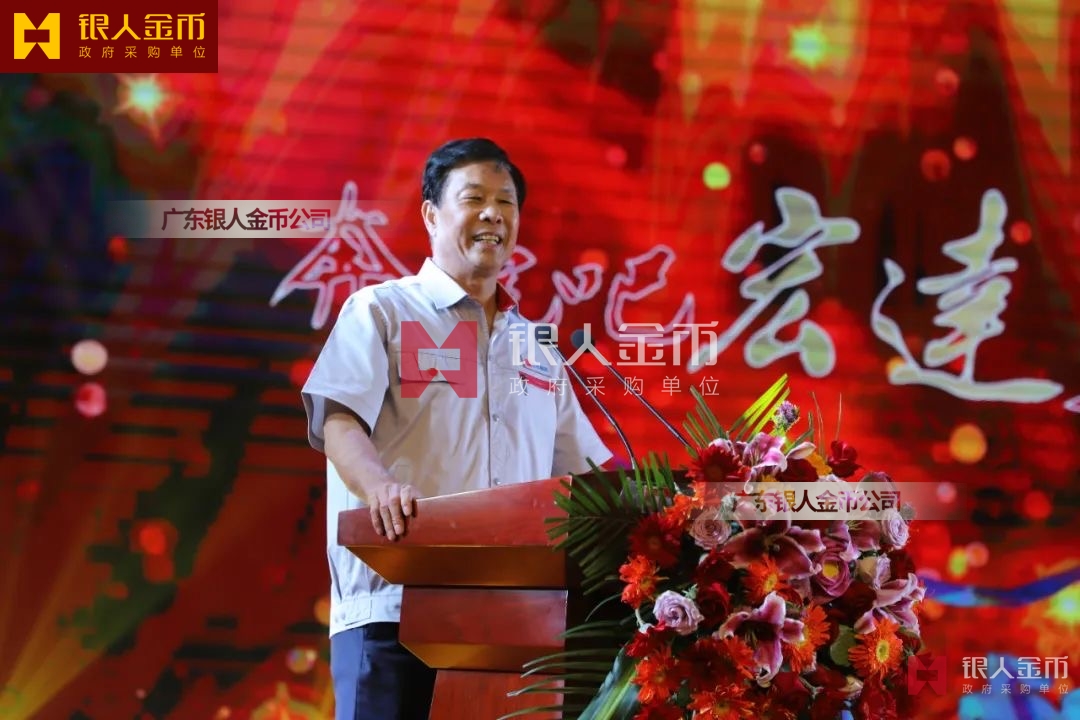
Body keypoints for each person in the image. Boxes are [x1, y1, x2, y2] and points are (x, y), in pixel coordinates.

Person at [301, 137, 613, 720]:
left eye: (506, 202)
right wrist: (379, 488)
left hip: (512, 623)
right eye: (474, 198)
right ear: (431, 214)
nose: (493, 214)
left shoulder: (538, 348)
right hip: (395, 605)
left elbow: (583, 476)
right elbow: (340, 419)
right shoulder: (382, 311)